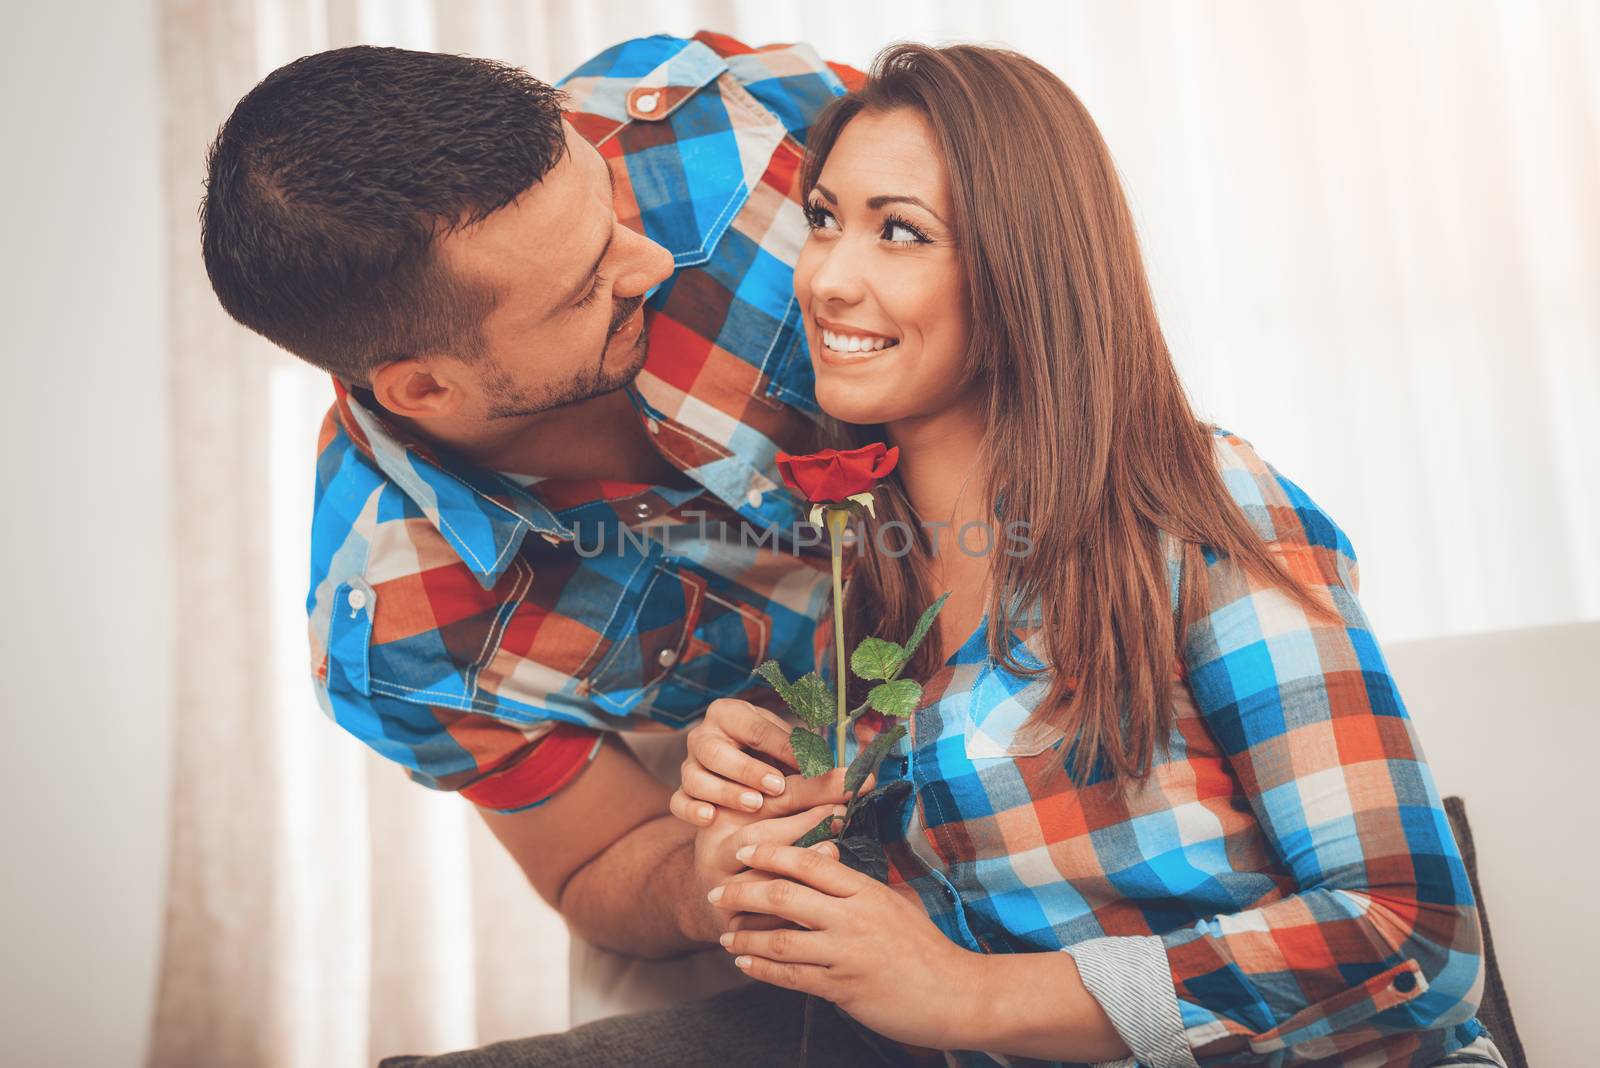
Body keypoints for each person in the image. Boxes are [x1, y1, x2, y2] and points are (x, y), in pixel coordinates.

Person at [386, 41, 1508, 1068]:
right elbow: (858, 944)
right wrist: (755, 822)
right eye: (822, 218)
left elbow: (1412, 934)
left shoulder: (1192, 507)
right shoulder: (856, 600)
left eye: (900, 231)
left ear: (1024, 273)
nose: (824, 278)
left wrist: (973, 997)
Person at [199, 32, 874, 980]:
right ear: (427, 390)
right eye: (582, 289)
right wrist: (707, 875)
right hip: (804, 782)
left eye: (606, 204)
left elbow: (1031, 238)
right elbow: (599, 862)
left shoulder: (722, 116)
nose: (646, 263)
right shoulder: (398, 632)